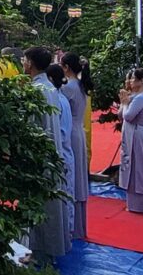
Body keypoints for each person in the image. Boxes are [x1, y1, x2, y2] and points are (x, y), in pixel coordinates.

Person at [21, 47, 71, 259]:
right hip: (51, 152)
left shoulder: (37, 90)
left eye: (24, 59)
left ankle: (36, 249)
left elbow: (30, 125)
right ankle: (46, 247)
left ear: (30, 63)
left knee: (37, 203)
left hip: (38, 155)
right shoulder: (49, 87)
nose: (22, 63)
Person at [60, 53, 91, 238]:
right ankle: (79, 226)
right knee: (79, 177)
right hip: (78, 130)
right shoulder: (79, 85)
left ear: (66, 67)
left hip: (70, 132)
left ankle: (73, 226)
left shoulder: (68, 87)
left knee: (73, 177)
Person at [118, 68, 143, 214]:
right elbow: (121, 115)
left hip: (137, 135)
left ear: (141, 81)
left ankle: (141, 205)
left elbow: (128, 116)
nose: (131, 81)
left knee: (138, 169)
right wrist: (124, 101)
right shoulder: (137, 96)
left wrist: (126, 103)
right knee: (133, 168)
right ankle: (136, 203)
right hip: (133, 134)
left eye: (134, 79)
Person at [46, 64, 75, 252]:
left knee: (59, 199)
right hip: (66, 150)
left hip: (60, 152)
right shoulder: (61, 98)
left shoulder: (55, 99)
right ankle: (67, 234)